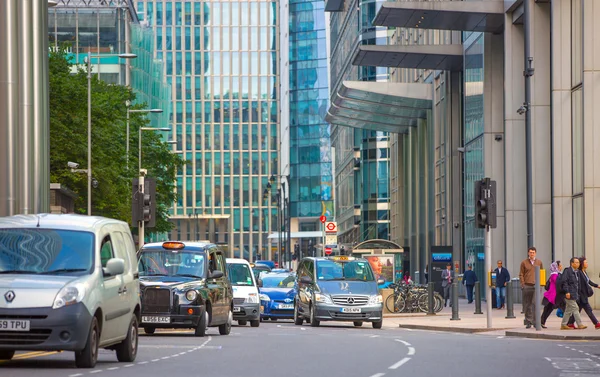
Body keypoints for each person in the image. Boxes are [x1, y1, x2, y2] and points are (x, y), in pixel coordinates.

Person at [567, 257, 600, 329]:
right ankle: (596, 323)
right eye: (586, 262)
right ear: (582, 264)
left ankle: (570, 323)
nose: (587, 263)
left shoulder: (584, 272)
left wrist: (597, 286)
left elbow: (588, 281)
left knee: (577, 310)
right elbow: (579, 285)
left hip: (583, 294)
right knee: (588, 309)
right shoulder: (579, 272)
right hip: (581, 294)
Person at [519, 246, 543, 329]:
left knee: (535, 303)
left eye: (533, 252)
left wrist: (541, 284)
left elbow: (541, 273)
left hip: (536, 286)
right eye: (530, 252)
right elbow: (521, 273)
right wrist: (522, 283)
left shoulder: (539, 262)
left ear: (535, 253)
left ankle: (536, 322)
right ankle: (528, 321)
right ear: (528, 253)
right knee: (527, 304)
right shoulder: (524, 262)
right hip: (527, 285)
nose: (532, 254)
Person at [561, 257, 586, 330]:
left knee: (568, 310)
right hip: (569, 294)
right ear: (572, 263)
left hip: (574, 293)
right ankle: (580, 324)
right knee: (575, 308)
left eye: (578, 262)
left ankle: (563, 324)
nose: (578, 264)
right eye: (576, 262)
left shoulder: (577, 272)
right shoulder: (567, 271)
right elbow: (564, 282)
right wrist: (567, 292)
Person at [541, 261, 562, 329]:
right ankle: (541, 322)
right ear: (557, 267)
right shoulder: (555, 275)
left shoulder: (555, 274)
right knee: (547, 310)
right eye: (560, 266)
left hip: (553, 295)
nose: (561, 267)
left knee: (548, 310)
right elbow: (559, 283)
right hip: (551, 296)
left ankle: (542, 322)